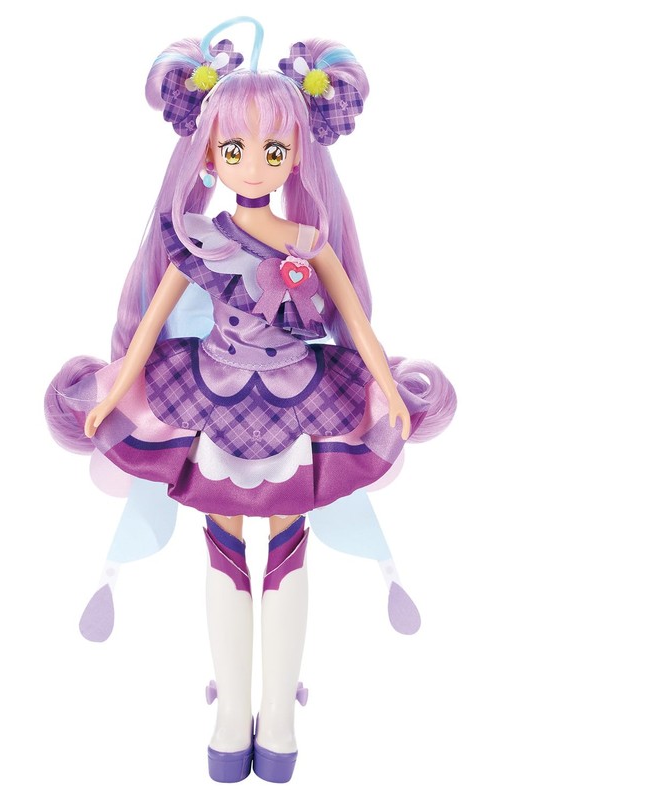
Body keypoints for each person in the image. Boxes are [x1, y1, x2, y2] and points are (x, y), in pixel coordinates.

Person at [45, 17, 455, 783]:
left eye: (273, 149)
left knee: (289, 547)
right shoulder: (196, 238)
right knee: (227, 547)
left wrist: (387, 388)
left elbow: (358, 325)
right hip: (213, 394)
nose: (256, 164)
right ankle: (234, 715)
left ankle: (282, 721)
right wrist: (115, 388)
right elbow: (153, 322)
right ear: (208, 154)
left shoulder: (309, 242)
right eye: (234, 150)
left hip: (299, 399)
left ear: (297, 152)